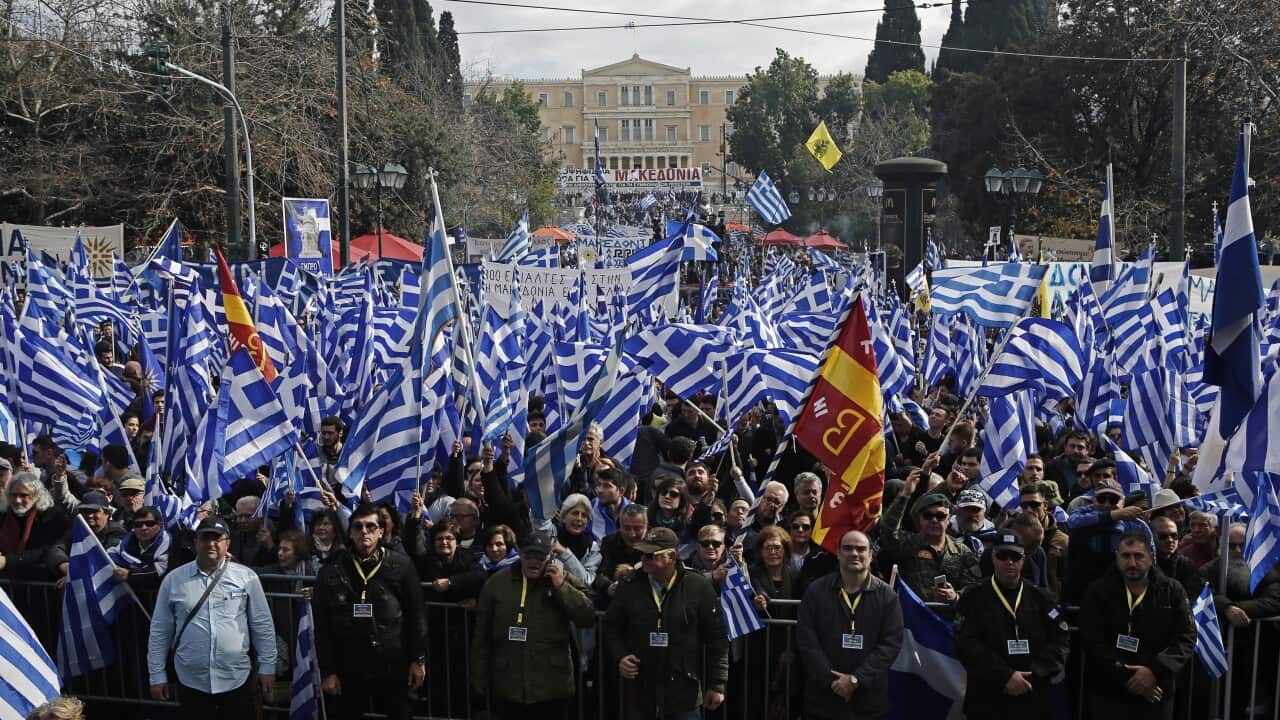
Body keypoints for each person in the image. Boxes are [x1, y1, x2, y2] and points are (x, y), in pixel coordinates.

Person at [146, 517, 277, 719]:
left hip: (237, 679)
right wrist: (156, 675)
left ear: (228, 543)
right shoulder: (173, 580)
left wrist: (268, 666)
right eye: (205, 538)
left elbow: (262, 624)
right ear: (195, 542)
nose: (211, 544)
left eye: (217, 538)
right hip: (190, 681)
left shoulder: (247, 577)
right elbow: (160, 631)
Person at [311, 503, 426, 720]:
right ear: (350, 533)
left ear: (381, 531)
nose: (364, 531)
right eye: (358, 527)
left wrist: (418, 659)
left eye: (371, 526)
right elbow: (321, 627)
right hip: (348, 663)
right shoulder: (332, 570)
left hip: (393, 661)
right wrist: (328, 671)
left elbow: (416, 615)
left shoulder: (401, 565)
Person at [604, 527, 729, 719]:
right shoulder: (630, 584)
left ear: (671, 556)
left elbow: (717, 638)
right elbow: (611, 626)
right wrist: (621, 655)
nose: (644, 559)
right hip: (640, 690)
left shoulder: (697, 585)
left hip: (683, 691)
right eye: (642, 554)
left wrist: (717, 684)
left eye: (650, 555)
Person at [471, 533, 596, 718]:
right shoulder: (497, 583)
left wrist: (561, 587)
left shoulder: (563, 579)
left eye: (540, 557)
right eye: (529, 556)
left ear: (550, 557)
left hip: (551, 686)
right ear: (520, 554)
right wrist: (479, 678)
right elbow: (481, 635)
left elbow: (587, 616)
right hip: (508, 684)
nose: (534, 562)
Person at [1078, 532, 1196, 720]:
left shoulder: (1172, 590)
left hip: (1156, 690)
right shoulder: (1098, 591)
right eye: (1126, 556)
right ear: (1117, 557)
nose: (1132, 563)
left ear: (1150, 557)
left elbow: (1186, 637)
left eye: (1138, 556)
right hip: (1109, 692)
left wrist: (1154, 671)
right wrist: (1128, 676)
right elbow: (1091, 639)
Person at [954, 532, 1070, 714]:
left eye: (1015, 556)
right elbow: (966, 644)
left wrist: (1035, 673)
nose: (1009, 562)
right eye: (1003, 556)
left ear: (1023, 560)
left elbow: (1060, 640)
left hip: (1032, 694)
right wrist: (1005, 676)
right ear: (993, 558)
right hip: (988, 695)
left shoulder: (1041, 598)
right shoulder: (973, 596)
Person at [795, 530, 905, 720]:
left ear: (870, 554)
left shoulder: (888, 596)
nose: (854, 553)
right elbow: (806, 639)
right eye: (848, 548)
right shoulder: (816, 591)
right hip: (823, 698)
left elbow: (891, 644)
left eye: (861, 549)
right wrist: (832, 680)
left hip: (868, 700)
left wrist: (856, 679)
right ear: (838, 553)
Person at [878, 470, 981, 602]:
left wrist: (955, 596)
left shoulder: (962, 552)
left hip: (949, 613)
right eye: (928, 516)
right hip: (914, 611)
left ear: (949, 519)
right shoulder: (908, 544)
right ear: (920, 519)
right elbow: (888, 530)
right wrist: (904, 495)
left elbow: (974, 587)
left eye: (940, 516)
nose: (934, 520)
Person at [1063, 476, 1151, 604]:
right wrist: (1113, 515)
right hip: (1085, 590)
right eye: (1102, 499)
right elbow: (1073, 522)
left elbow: (1151, 559)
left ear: (1122, 502)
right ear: (1094, 500)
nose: (1107, 504)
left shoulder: (1136, 525)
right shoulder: (1082, 516)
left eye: (1113, 500)